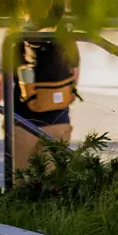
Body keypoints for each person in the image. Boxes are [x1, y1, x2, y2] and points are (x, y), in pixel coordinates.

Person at [9, 21, 79, 177]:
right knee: (53, 184)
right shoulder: (64, 33)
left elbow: (0, 85)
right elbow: (74, 74)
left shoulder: (16, 36)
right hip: (60, 121)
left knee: (21, 183)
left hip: (24, 123)